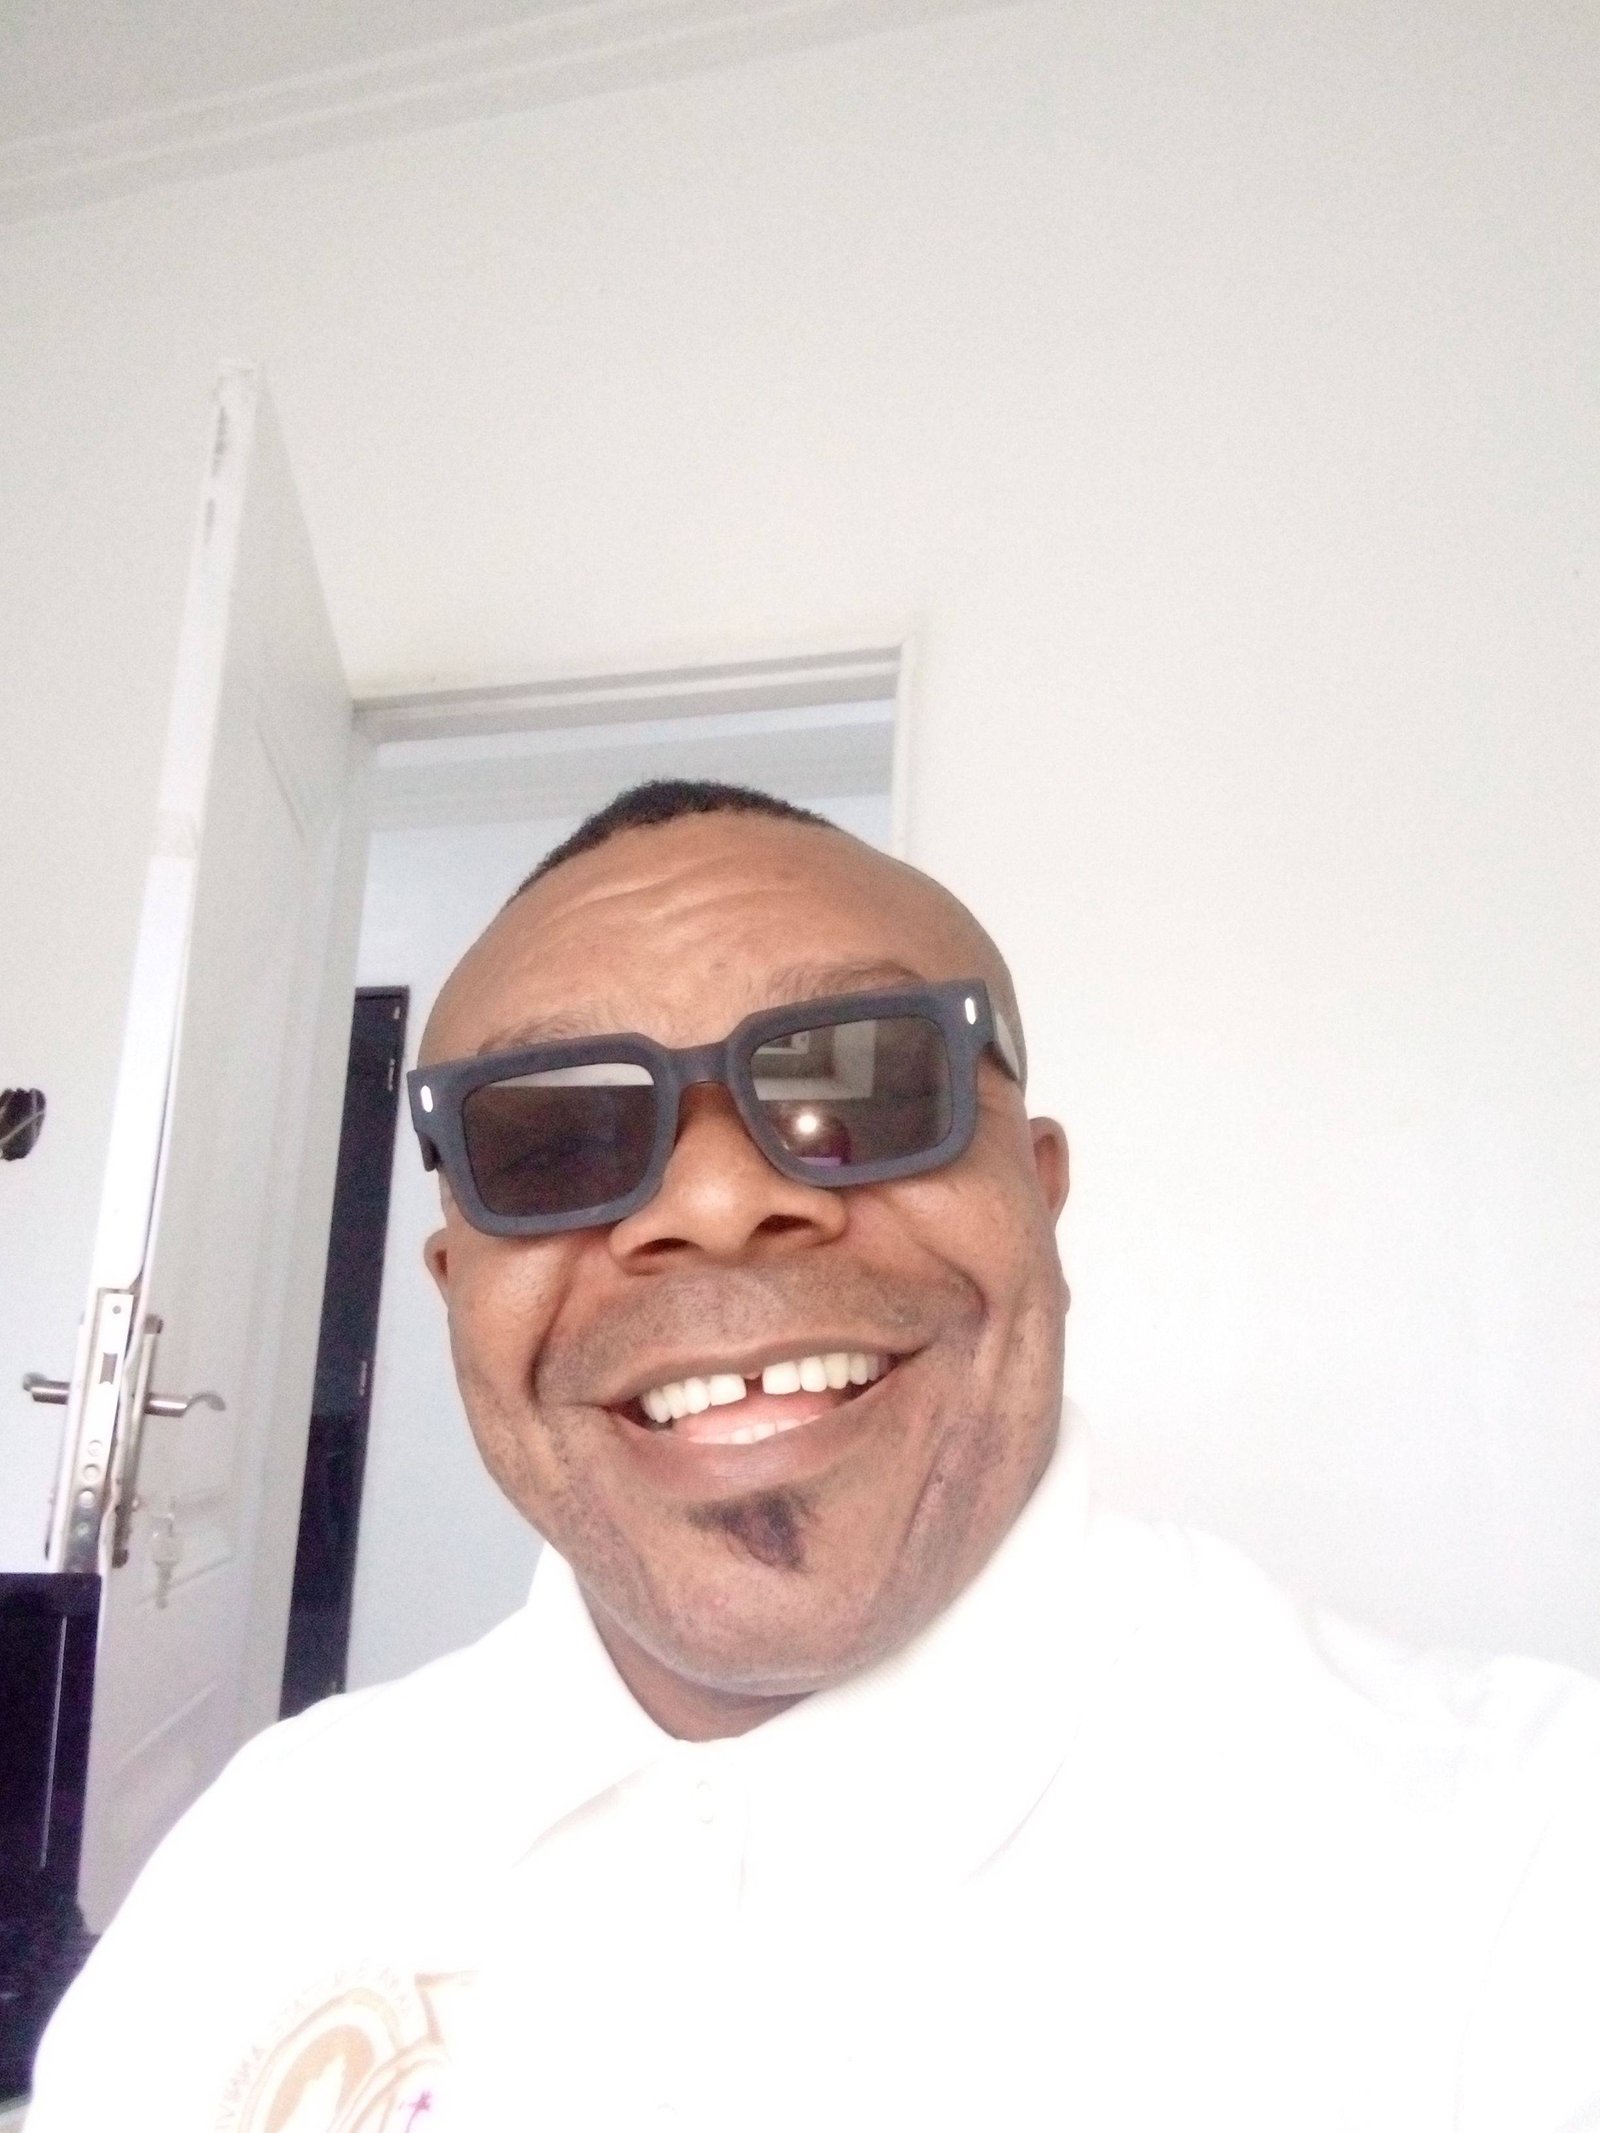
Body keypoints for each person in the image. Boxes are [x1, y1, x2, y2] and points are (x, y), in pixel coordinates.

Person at [28, 780, 1600, 2132]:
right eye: (554, 1142)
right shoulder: (270, 1850)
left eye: (866, 1084)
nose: (717, 1205)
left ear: (1040, 1192)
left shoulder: (1519, 1863)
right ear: (455, 1291)